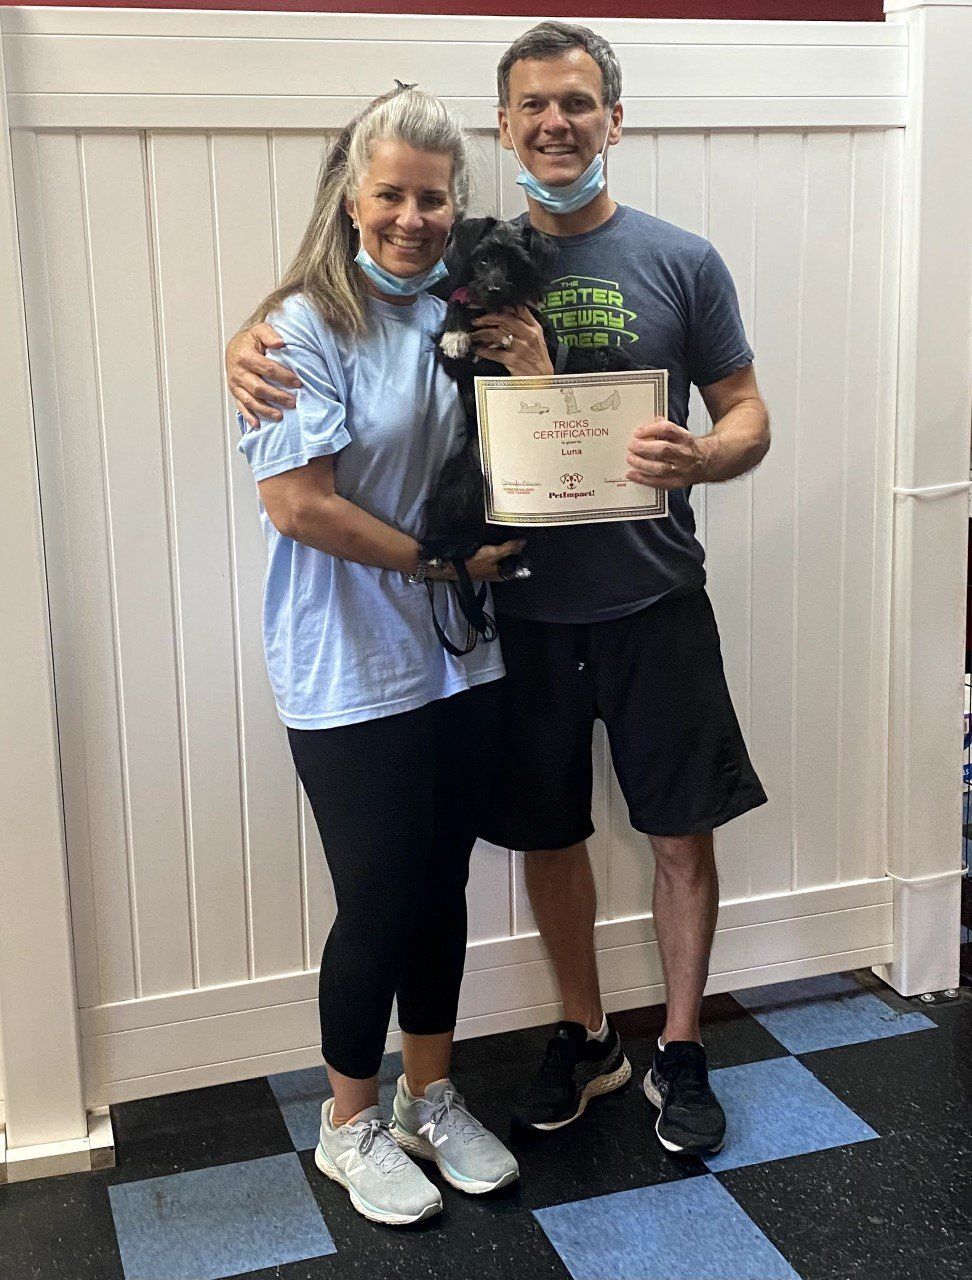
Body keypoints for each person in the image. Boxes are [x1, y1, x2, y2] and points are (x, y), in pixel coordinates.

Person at [227, 23, 770, 1160]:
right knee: (533, 842)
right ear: (507, 125)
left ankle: (673, 1049)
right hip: (509, 621)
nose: (556, 123)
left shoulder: (674, 260)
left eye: (578, 102)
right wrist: (247, 337)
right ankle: (564, 1042)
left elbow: (746, 412)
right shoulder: (461, 266)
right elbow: (339, 341)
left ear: (614, 118)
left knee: (669, 834)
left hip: (631, 603)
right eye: (532, 106)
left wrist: (705, 457)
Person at [235, 84, 521, 1227]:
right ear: (352, 200)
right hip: (348, 665)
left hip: (460, 662)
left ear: (457, 205)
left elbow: (532, 450)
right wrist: (439, 565)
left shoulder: (466, 307)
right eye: (392, 194)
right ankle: (346, 1121)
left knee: (438, 887)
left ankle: (427, 1097)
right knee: (378, 897)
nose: (414, 215)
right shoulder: (297, 328)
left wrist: (535, 366)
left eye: (434, 197)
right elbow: (299, 505)